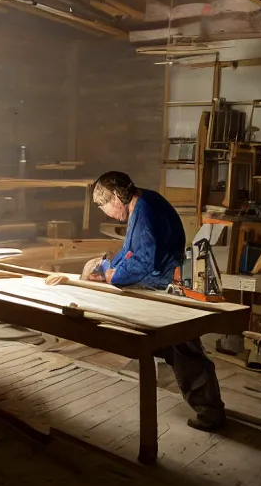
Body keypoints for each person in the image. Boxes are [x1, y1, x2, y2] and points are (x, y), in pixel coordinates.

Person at [46, 171, 226, 432]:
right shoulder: (141, 203)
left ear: (118, 196)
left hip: (164, 286)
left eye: (105, 205)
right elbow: (130, 250)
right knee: (177, 347)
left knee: (183, 347)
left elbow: (142, 262)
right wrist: (109, 264)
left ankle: (211, 412)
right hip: (158, 282)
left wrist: (112, 275)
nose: (106, 212)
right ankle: (207, 407)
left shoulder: (146, 211)